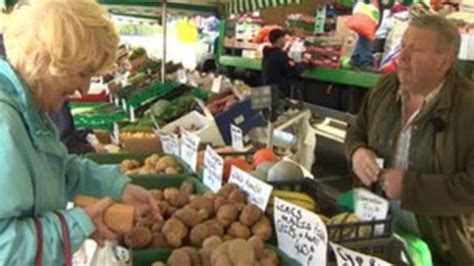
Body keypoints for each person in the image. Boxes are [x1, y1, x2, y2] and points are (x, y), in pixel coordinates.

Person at [0, 0, 158, 264]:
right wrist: (77, 225)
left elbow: (56, 169)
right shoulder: (4, 123)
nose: (84, 89)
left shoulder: (29, 108)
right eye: (83, 73)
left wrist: (118, 187)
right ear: (46, 60)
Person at [344, 14, 474, 265]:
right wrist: (357, 151)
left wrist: (411, 187)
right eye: (403, 46)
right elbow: (355, 132)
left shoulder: (468, 108)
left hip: (441, 246)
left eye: (415, 50)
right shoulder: (384, 88)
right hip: (377, 231)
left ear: (444, 61)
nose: (401, 57)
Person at [261, 28, 306, 99]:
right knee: (278, 109)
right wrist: (304, 63)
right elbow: (294, 71)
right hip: (277, 94)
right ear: (280, 40)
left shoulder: (267, 53)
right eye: (284, 38)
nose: (285, 41)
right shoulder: (280, 55)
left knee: (266, 109)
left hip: (265, 92)